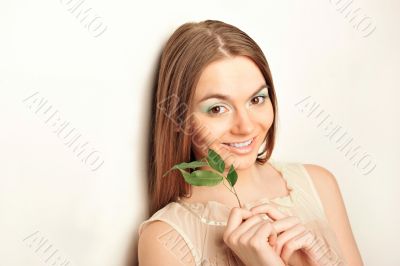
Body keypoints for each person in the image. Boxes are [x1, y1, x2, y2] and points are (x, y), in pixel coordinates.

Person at [138, 19, 363, 265]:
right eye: (217, 108)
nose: (245, 126)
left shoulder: (319, 185)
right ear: (180, 118)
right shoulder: (166, 238)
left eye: (256, 100)